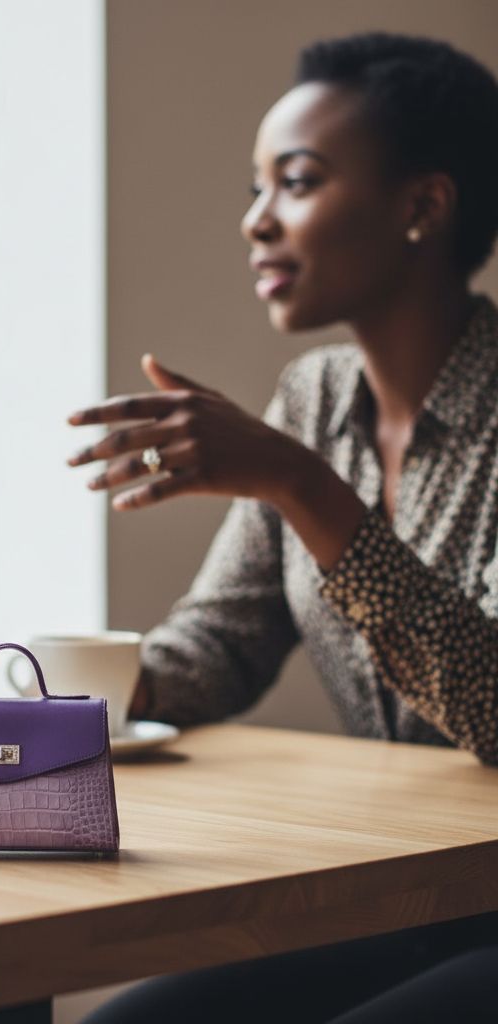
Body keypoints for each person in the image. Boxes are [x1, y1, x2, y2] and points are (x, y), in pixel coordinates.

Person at [68, 31, 498, 1024]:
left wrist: (301, 485)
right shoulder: (314, 399)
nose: (255, 221)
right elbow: (221, 644)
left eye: (295, 184)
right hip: (403, 895)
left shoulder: (302, 450)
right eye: (255, 188)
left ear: (423, 207)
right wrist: (66, 692)